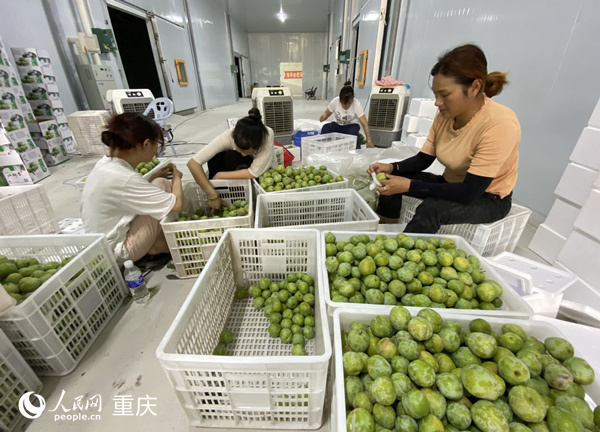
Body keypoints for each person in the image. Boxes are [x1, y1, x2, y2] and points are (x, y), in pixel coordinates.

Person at [368, 44, 520, 233]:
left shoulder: (499, 123)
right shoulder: (445, 116)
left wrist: (409, 185)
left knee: (431, 209)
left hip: (487, 197)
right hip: (451, 184)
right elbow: (423, 159)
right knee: (390, 179)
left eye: (445, 95)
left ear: (474, 87)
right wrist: (393, 167)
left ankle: (405, 256)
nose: (437, 102)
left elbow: (469, 192)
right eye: (435, 95)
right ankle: (386, 232)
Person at [81, 113, 184, 265]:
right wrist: (177, 179)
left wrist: (150, 178)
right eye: (156, 143)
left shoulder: (106, 165)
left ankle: (156, 242)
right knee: (165, 190)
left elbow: (123, 193)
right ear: (146, 144)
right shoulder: (124, 177)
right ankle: (157, 246)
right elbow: (177, 205)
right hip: (119, 251)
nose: (156, 150)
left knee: (158, 182)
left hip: (101, 245)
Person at [187, 107, 275, 211]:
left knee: (233, 156)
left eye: (247, 152)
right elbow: (193, 163)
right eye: (240, 150)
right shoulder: (228, 136)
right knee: (218, 157)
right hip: (238, 171)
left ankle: (245, 195)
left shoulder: (267, 136)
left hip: (258, 171)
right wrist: (212, 195)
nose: (243, 154)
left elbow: (254, 173)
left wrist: (220, 176)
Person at [319, 81, 374, 149]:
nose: (345, 105)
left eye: (348, 103)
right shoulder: (335, 101)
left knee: (353, 133)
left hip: (351, 126)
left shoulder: (356, 104)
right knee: (326, 127)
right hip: (337, 124)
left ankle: (356, 153)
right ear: (340, 99)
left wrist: (368, 141)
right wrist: (323, 117)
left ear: (352, 99)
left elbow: (365, 124)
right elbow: (326, 113)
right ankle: (323, 149)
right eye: (343, 103)